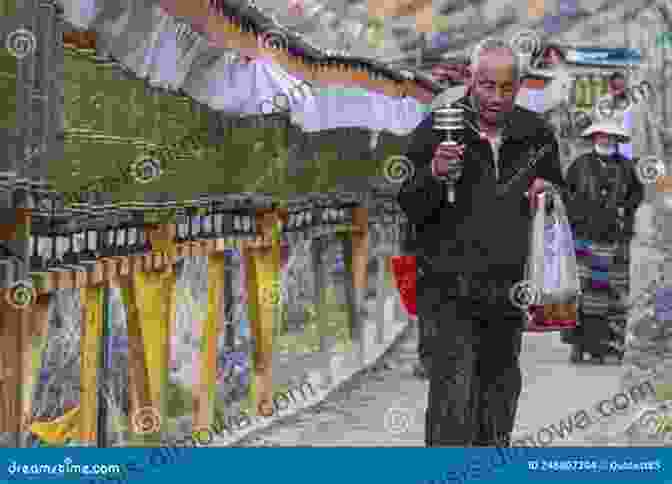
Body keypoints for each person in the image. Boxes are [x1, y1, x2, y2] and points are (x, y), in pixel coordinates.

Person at [397, 37, 566, 446]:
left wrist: (551, 194)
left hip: (508, 290)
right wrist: (434, 176)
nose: (497, 97)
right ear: (471, 81)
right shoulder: (438, 128)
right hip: (447, 289)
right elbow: (407, 201)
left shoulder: (537, 135)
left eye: (507, 87)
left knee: (498, 396)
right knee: (453, 399)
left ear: (519, 85)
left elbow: (561, 202)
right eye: (488, 86)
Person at [561, 119, 644, 364]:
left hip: (616, 238)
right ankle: (580, 345)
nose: (605, 140)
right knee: (584, 292)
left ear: (617, 140)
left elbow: (636, 196)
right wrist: (581, 216)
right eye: (601, 136)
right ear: (594, 138)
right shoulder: (579, 165)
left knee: (614, 292)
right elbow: (567, 194)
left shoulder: (627, 167)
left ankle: (610, 346)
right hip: (585, 236)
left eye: (610, 137)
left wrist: (622, 212)